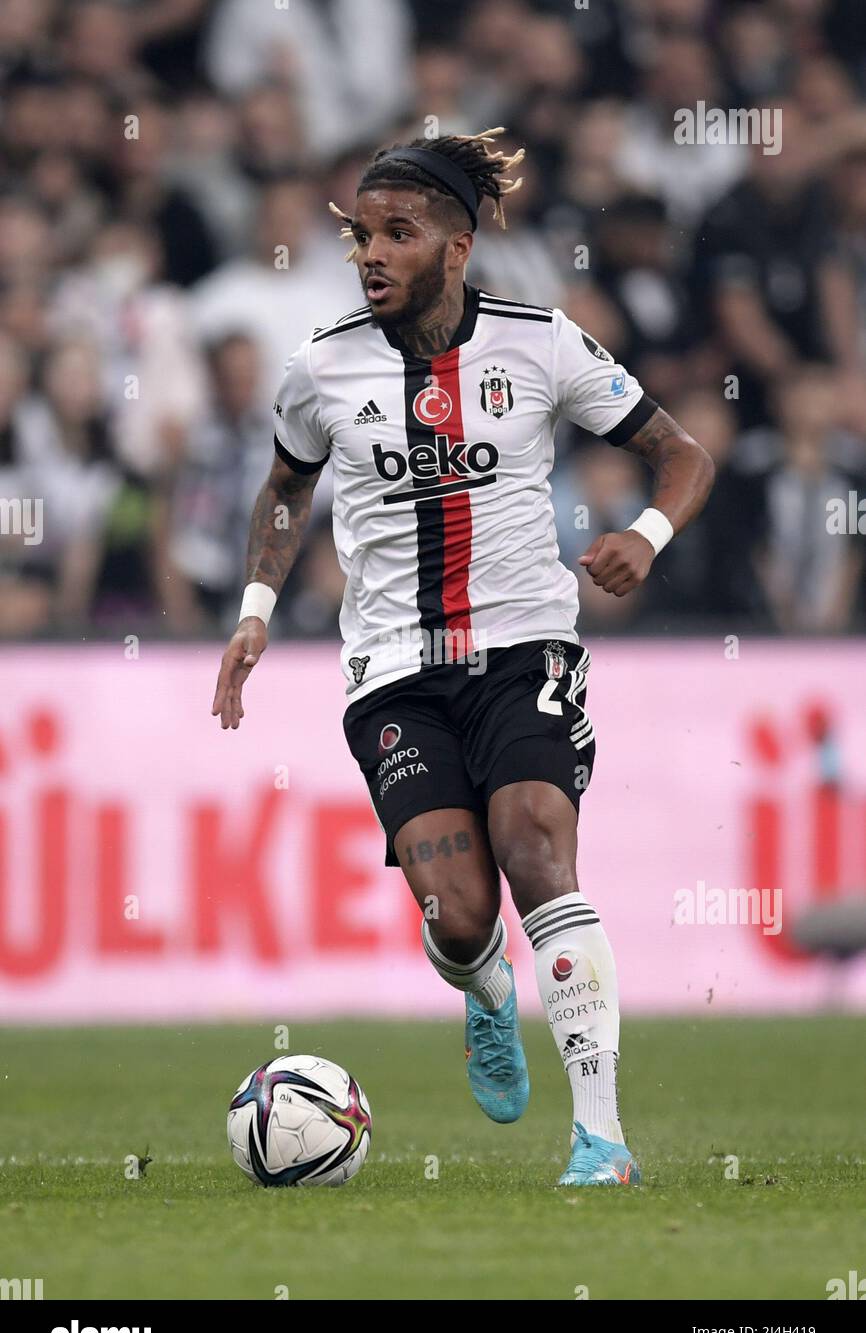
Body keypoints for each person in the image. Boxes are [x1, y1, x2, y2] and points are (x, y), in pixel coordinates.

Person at [212, 130, 715, 1186]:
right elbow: (287, 485)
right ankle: (484, 989)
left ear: (457, 245)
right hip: (393, 669)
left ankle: (600, 1137)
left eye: (397, 234)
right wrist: (255, 607)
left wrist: (647, 537)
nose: (371, 255)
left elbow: (680, 452)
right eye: (360, 237)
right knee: (460, 912)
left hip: (522, 646)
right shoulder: (322, 365)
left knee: (536, 847)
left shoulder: (540, 344)